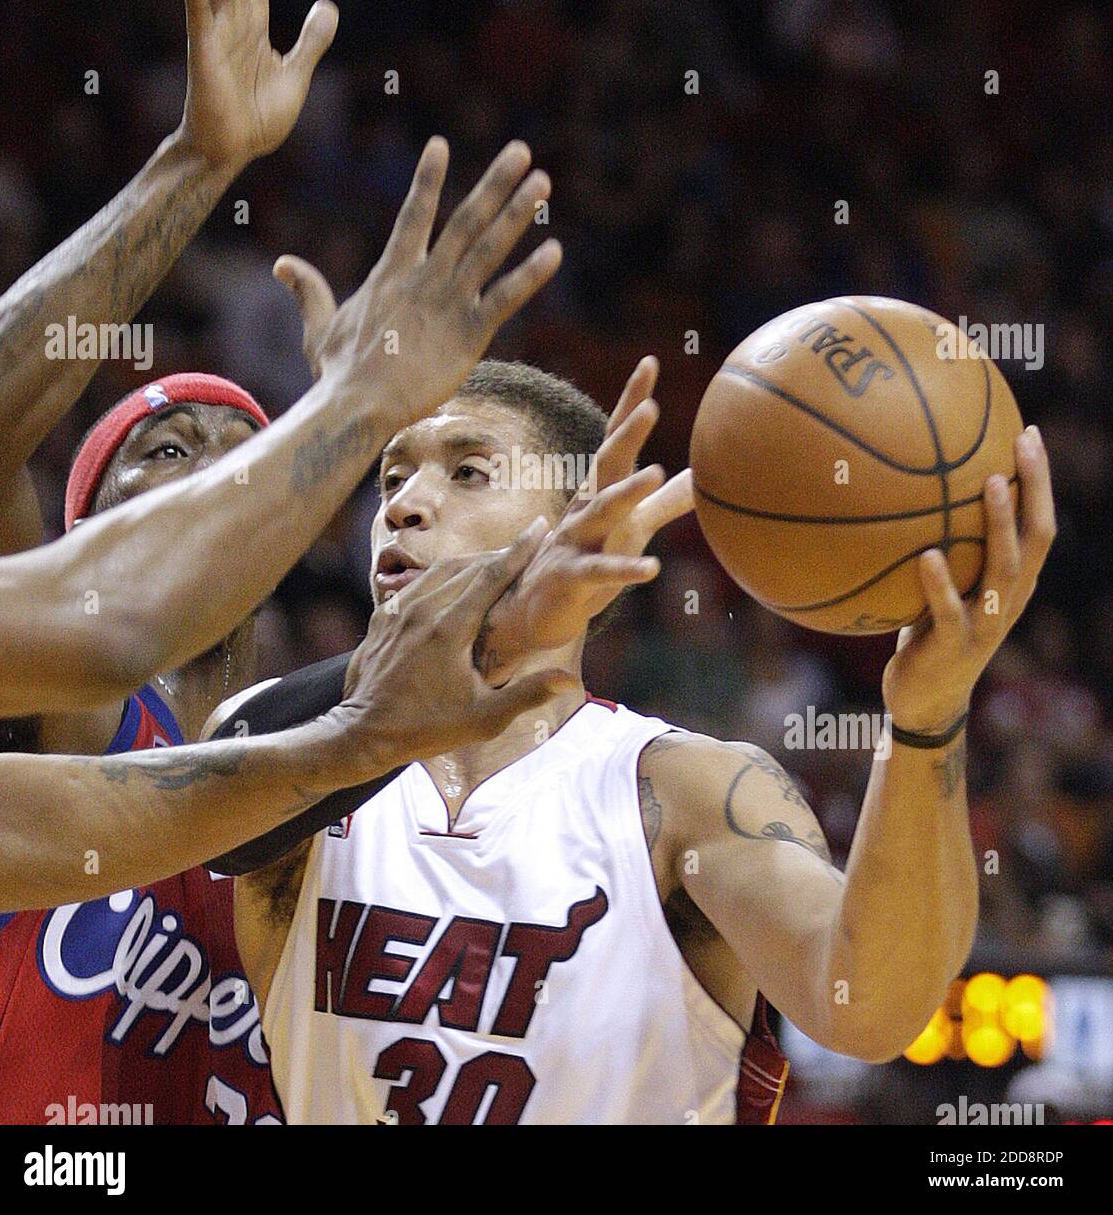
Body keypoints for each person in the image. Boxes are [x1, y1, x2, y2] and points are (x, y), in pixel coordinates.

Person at [0, 0, 560, 1123]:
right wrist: (200, 158)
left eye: (234, 457)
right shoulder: (73, 720)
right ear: (72, 534)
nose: (209, 472)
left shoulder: (371, 759)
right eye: (164, 455)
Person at [209, 357, 1056, 1125]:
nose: (401, 503)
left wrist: (929, 714)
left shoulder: (686, 793)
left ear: (584, 521)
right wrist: (496, 636)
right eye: (393, 475)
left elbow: (870, 1009)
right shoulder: (296, 757)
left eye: (468, 472)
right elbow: (221, 784)